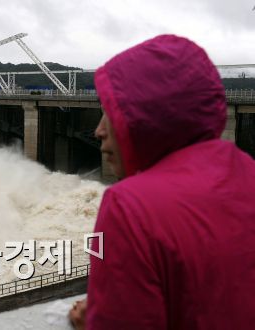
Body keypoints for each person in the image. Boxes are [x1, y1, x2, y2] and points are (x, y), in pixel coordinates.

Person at [69, 34, 255, 329]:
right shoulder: (247, 170)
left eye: (110, 113)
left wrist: (94, 320)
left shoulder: (129, 207)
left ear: (145, 115)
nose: (98, 130)